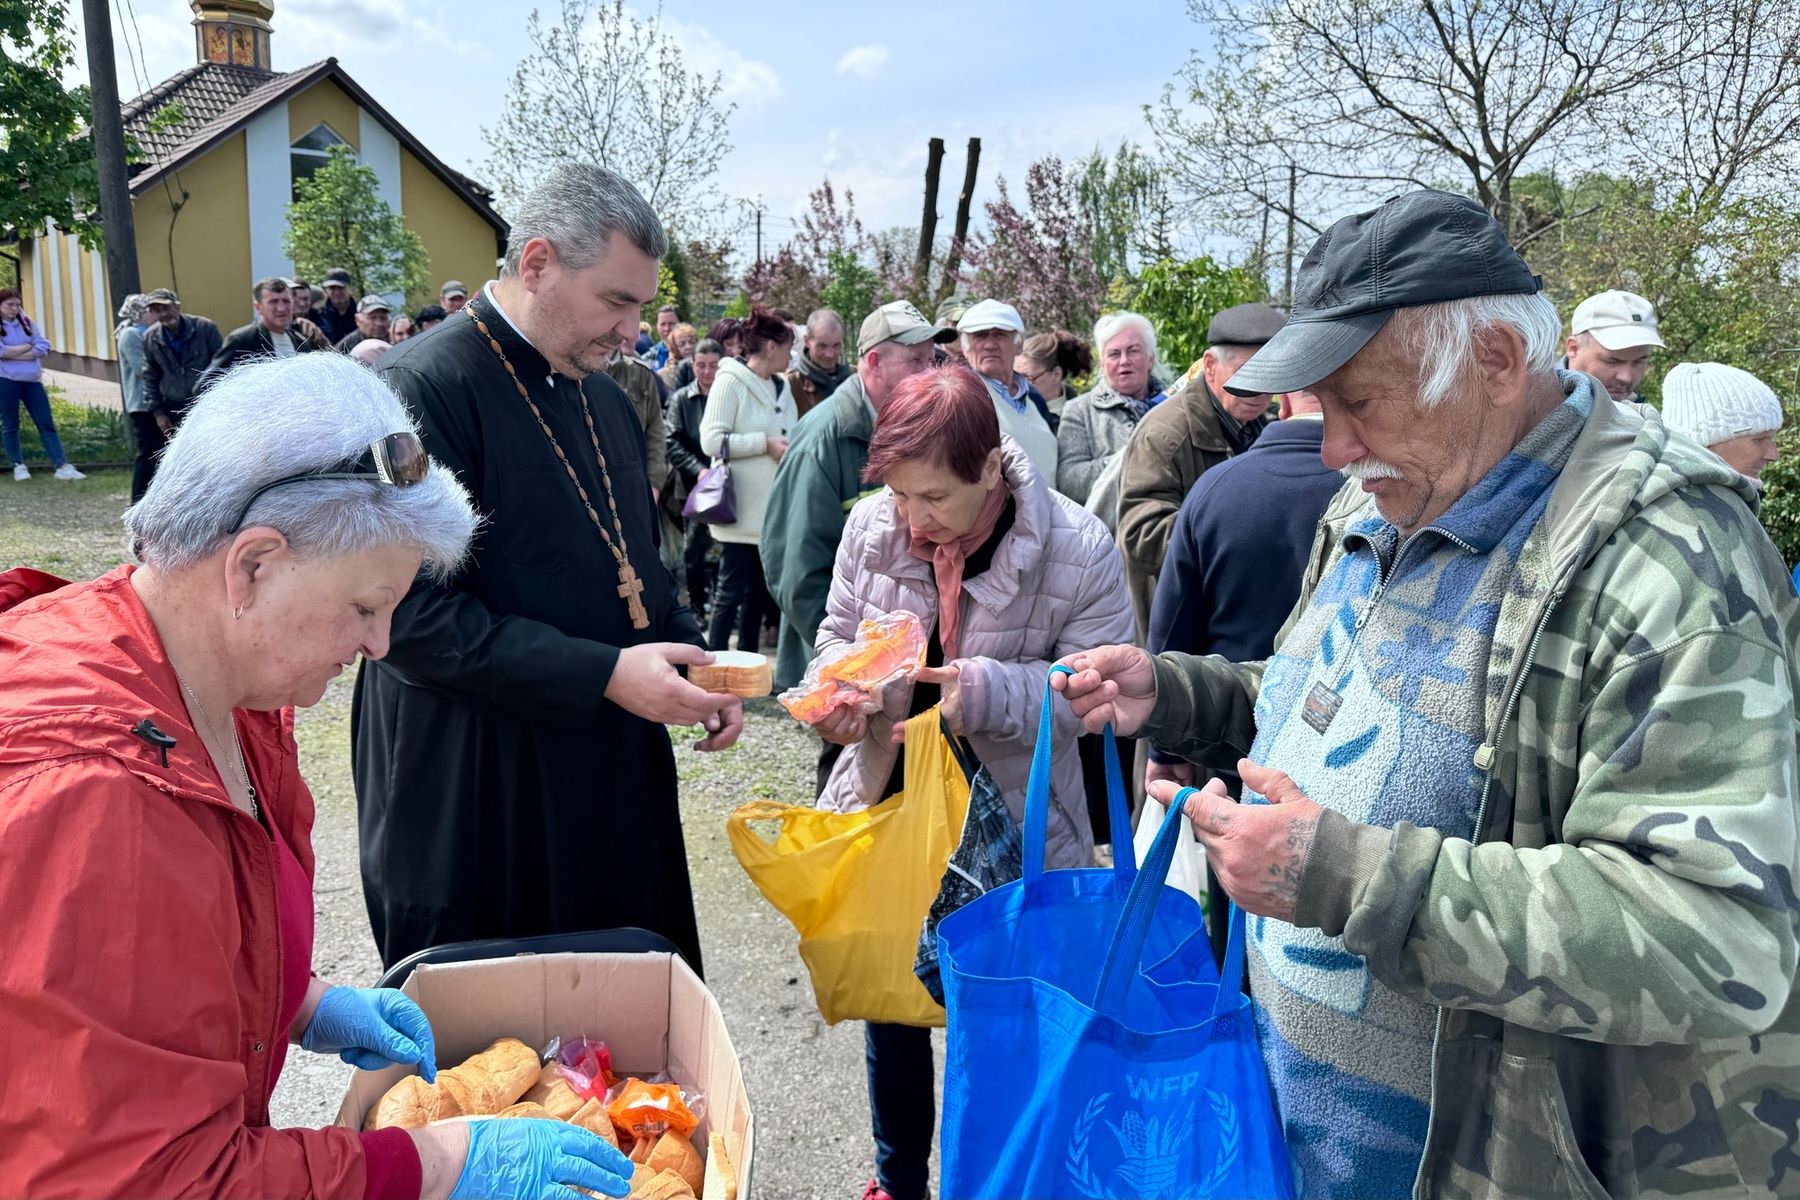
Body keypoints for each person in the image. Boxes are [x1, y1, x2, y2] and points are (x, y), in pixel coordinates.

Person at [1054, 189, 1800, 1200]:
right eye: (1323, 407)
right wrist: (1179, 692)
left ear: (1496, 361)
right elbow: (1338, 697)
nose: (1332, 449)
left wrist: (1354, 879)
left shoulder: (1666, 557)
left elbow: (1721, 936)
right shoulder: (1388, 490)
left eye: (1360, 401)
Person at [0, 352, 634, 1200]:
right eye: (365, 607)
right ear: (253, 565)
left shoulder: (231, 684)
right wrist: (434, 1164)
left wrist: (299, 999)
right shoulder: (93, 798)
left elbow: (151, 967)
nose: (377, 645)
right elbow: (137, 1179)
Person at [353, 163, 739, 973]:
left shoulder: (600, 396)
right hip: (476, 780)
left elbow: (639, 568)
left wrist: (697, 661)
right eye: (615, 301)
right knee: (498, 1044)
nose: (632, 331)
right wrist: (602, 673)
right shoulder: (421, 388)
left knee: (621, 1027)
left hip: (606, 765)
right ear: (536, 265)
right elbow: (405, 617)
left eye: (640, 305)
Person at [803, 365, 1133, 1200]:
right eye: (899, 495)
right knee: (893, 1002)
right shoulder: (875, 529)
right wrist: (837, 696)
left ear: (992, 466)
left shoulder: (1077, 545)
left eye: (935, 499)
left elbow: (1095, 697)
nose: (913, 521)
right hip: (894, 797)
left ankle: (996, 1179)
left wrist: (981, 689)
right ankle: (897, 1181)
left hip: (1020, 814)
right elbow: (836, 637)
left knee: (1011, 1013)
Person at [1114, 301, 1284, 637]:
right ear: (1209, 366)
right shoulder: (1165, 434)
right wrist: (1237, 540)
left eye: (1273, 372)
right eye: (1247, 372)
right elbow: (1139, 535)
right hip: (1178, 625)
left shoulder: (1263, 427)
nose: (1261, 389)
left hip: (1230, 617)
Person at [698, 307, 795, 655]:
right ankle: (714, 661)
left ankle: (749, 663)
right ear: (771, 347)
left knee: (759, 591)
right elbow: (711, 440)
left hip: (770, 513)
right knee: (730, 590)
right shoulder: (730, 381)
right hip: (738, 511)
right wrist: (764, 445)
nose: (791, 354)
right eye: (787, 346)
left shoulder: (781, 385)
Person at [1055, 311, 1165, 505]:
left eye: (1133, 350)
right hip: (1114, 530)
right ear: (1102, 364)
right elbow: (1069, 482)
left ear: (1150, 359)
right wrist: (1132, 457)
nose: (1124, 360)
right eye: (1114, 354)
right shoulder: (1080, 411)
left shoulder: (1175, 404)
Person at [955, 299, 1058, 481]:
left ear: (1018, 345)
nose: (990, 344)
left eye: (1000, 335)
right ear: (965, 348)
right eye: (980, 336)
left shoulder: (1034, 397)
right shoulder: (962, 395)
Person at [666, 338, 724, 613]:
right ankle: (698, 608)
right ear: (693, 366)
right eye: (701, 366)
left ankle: (721, 603)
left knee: (722, 551)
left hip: (725, 484)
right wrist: (698, 470)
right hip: (692, 486)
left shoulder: (726, 396)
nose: (707, 372)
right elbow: (671, 441)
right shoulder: (681, 399)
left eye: (713, 366)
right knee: (693, 553)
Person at [0, 289, 82, 482]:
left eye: (17, 304)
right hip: (7, 380)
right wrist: (27, 348)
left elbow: (43, 346)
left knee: (46, 423)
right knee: (10, 424)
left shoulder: (27, 323)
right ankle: (18, 465)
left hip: (32, 381)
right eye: (10, 304)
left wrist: (18, 353)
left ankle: (61, 464)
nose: (15, 308)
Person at [1661, 361, 1786, 482]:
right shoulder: (1694, 503)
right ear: (1707, 445)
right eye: (1759, 440)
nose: (1773, 455)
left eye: (1770, 439)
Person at [141, 287, 223, 437]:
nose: (163, 314)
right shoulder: (150, 338)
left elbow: (223, 365)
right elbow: (150, 377)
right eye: (157, 311)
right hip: (173, 406)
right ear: (152, 314)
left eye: (166, 308)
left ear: (177, 307)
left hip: (205, 403)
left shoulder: (205, 328)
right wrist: (158, 413)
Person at [1564, 288, 1662, 403]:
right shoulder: (1540, 405)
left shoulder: (1641, 414)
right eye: (1612, 361)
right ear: (1573, 349)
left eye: (1638, 362)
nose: (1626, 377)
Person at [210, 277, 317, 378]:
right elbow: (206, 384)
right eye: (273, 302)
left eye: (286, 301)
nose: (281, 308)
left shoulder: (301, 342)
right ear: (258, 307)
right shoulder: (243, 340)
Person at [604, 348, 670, 499]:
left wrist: (654, 483)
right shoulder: (577, 371)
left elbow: (656, 431)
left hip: (635, 483)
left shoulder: (640, 373)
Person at [115, 293, 158, 500]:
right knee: (147, 452)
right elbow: (141, 368)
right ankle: (138, 498)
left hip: (154, 400)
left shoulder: (150, 332)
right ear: (140, 313)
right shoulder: (131, 334)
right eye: (150, 310)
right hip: (141, 403)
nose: (155, 314)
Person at [784, 308, 850, 418]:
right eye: (822, 346)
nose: (830, 354)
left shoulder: (857, 378)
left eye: (836, 345)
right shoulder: (791, 384)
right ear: (807, 342)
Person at [1015, 328, 1088, 418]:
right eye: (1014, 376)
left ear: (1056, 375)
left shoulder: (1079, 419)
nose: (1016, 385)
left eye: (1027, 378)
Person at [310, 267, 359, 344]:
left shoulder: (360, 313)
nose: (337, 292)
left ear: (350, 288)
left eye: (341, 288)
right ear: (326, 290)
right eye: (332, 288)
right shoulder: (318, 315)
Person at [658, 321, 698, 392]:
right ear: (674, 347)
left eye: (691, 342)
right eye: (682, 344)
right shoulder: (664, 375)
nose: (688, 347)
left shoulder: (702, 368)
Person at [933, 295, 970, 364]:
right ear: (942, 327)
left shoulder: (979, 363)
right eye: (957, 323)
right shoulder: (930, 361)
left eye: (969, 323)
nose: (963, 329)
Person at [650, 303, 679, 368]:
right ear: (657, 326)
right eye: (662, 324)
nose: (667, 328)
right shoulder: (650, 357)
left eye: (671, 323)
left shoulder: (691, 354)